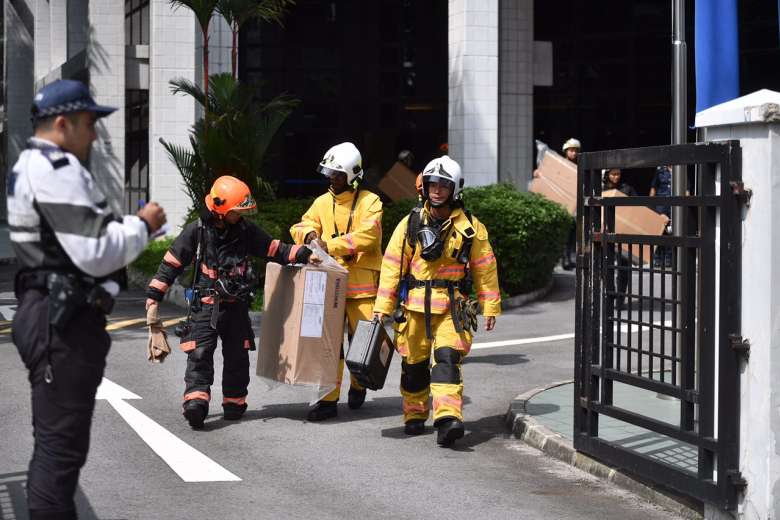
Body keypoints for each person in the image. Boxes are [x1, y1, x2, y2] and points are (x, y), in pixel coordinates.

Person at [8, 79, 167, 520]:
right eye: (89, 123)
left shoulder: (32, 165)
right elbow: (94, 251)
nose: (95, 135)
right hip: (63, 318)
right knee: (59, 453)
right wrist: (142, 225)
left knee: (56, 446)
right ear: (63, 123)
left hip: (50, 311)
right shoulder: (53, 169)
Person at [145, 175, 320, 429]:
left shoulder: (245, 231)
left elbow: (273, 248)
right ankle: (196, 402)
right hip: (206, 305)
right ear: (219, 210)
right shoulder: (197, 231)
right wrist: (153, 298)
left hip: (236, 306)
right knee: (200, 355)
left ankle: (234, 403)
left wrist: (303, 253)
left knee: (238, 357)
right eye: (236, 211)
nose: (240, 216)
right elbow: (171, 263)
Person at [373, 155, 501, 447]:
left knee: (446, 360)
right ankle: (415, 414)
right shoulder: (411, 223)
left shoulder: (470, 227)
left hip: (452, 308)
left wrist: (490, 305)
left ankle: (447, 419)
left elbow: (485, 266)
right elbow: (392, 266)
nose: (437, 190)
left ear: (455, 189)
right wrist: (382, 308)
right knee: (414, 366)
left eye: (444, 185)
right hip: (414, 308)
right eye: (433, 184)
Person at [289, 142, 383, 421]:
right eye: (329, 173)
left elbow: (370, 236)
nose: (332, 179)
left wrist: (330, 245)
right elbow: (301, 225)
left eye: (338, 175)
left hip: (361, 288)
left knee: (362, 343)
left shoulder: (371, 201)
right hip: (330, 285)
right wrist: (308, 237)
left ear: (353, 175)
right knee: (329, 345)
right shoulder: (322, 202)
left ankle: (359, 384)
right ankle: (328, 400)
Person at [603, 168, 637, 309]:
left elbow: (638, 207)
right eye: (613, 174)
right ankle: (611, 295)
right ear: (607, 175)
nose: (616, 177)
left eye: (618, 174)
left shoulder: (627, 189)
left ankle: (620, 299)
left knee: (624, 270)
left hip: (624, 234)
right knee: (606, 267)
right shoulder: (601, 189)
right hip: (606, 234)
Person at [561, 138, 581, 270]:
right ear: (566, 151)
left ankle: (569, 258)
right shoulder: (560, 164)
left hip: (575, 206)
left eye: (576, 151)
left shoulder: (580, 167)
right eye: (571, 150)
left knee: (573, 234)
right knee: (565, 234)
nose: (573, 153)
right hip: (562, 205)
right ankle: (564, 259)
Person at [649, 165, 673, 267]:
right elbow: (653, 188)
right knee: (659, 230)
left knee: (671, 230)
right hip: (660, 204)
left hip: (674, 204)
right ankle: (657, 257)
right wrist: (651, 206)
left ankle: (669, 258)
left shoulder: (681, 169)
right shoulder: (660, 171)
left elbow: (687, 189)